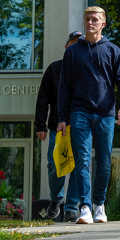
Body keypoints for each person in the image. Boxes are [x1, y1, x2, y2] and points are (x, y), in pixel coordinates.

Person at [57, 6, 120, 224]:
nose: (90, 23)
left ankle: (100, 204)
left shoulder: (113, 50)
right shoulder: (72, 52)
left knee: (104, 162)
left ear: (103, 24)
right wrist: (62, 117)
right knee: (81, 160)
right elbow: (65, 88)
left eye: (94, 19)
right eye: (87, 19)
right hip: (79, 112)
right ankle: (85, 208)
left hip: (106, 114)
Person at [34, 31, 82, 222]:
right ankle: (56, 199)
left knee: (79, 167)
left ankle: (71, 207)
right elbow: (42, 100)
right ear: (66, 47)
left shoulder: (87, 69)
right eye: (73, 44)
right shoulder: (54, 69)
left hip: (80, 127)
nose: (76, 47)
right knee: (54, 165)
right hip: (57, 127)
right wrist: (40, 125)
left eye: (80, 44)